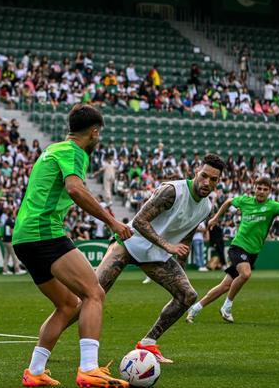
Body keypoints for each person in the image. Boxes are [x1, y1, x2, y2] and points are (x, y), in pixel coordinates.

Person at [13, 104, 132, 388]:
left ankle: (35, 372)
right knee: (94, 292)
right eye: (98, 134)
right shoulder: (74, 152)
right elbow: (75, 189)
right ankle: (89, 368)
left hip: (24, 237)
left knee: (67, 305)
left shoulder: (54, 149)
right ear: (94, 132)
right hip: (44, 233)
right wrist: (112, 222)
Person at [76, 154, 224, 364]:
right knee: (91, 294)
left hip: (155, 256)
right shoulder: (173, 191)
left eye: (214, 179)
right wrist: (167, 245)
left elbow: (187, 235)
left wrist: (180, 263)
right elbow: (139, 222)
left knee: (187, 295)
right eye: (204, 176)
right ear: (196, 171)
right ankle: (50, 337)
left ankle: (148, 343)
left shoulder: (206, 207)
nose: (207, 182)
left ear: (219, 181)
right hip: (128, 243)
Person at [186, 177, 279, 324]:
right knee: (246, 273)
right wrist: (216, 218)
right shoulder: (245, 201)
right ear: (254, 188)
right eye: (259, 188)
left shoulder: (272, 206)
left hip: (253, 252)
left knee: (225, 285)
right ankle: (227, 306)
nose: (261, 192)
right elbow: (228, 202)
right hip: (238, 246)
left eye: (265, 189)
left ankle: (195, 308)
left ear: (269, 191)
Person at [0, 211, 23, 276]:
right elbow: (12, 231)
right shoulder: (11, 222)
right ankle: (17, 270)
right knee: (14, 256)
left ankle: (5, 270)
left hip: (5, 241)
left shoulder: (7, 221)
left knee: (6, 256)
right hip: (9, 241)